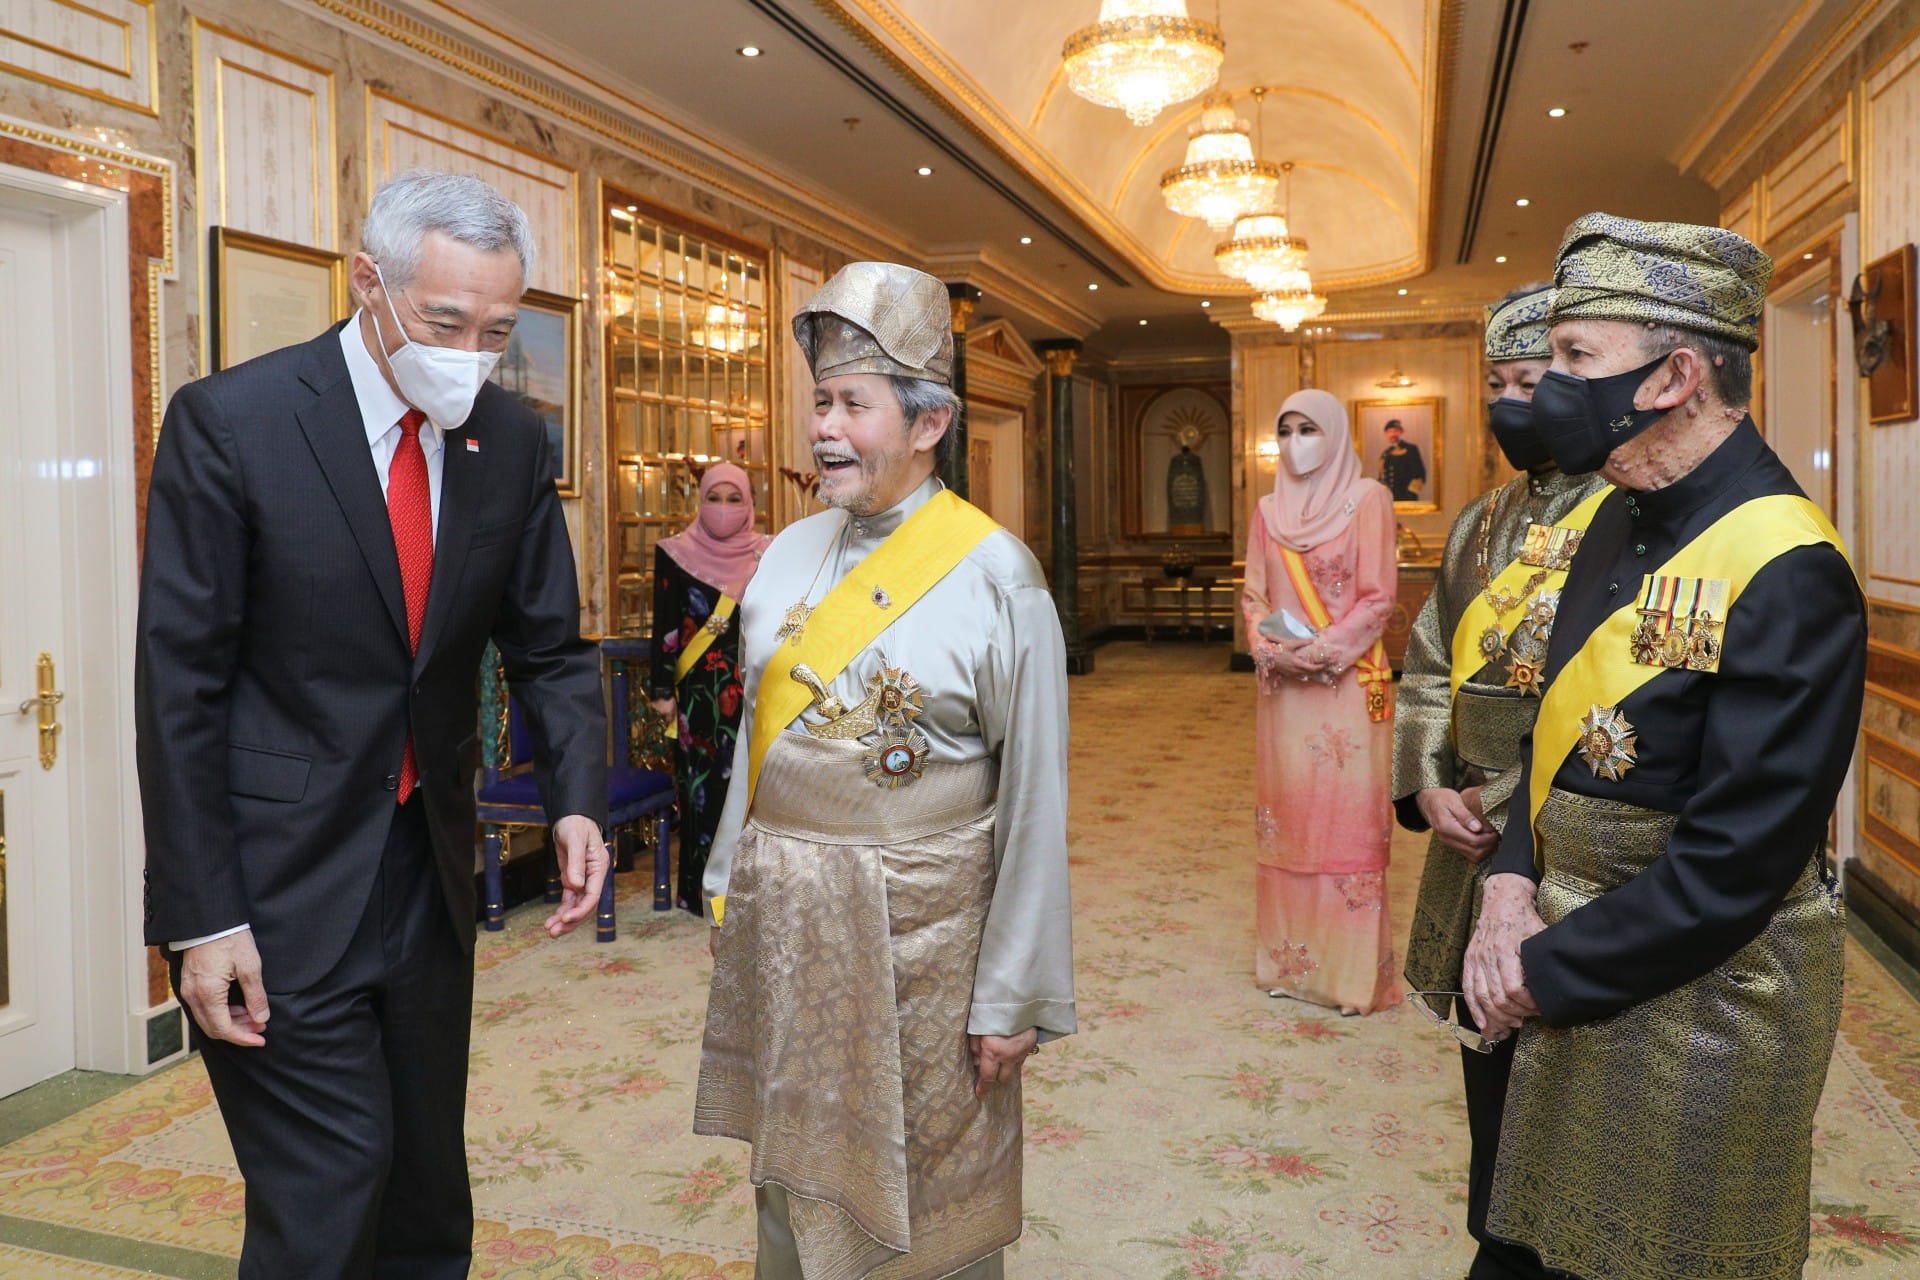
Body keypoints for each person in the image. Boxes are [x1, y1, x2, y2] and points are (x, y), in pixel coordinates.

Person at [136, 171, 610, 1279]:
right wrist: (201, 915)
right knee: (329, 1187)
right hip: (274, 886)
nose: (471, 350)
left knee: (427, 1192)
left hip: (426, 872)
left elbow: (549, 646)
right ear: (368, 282)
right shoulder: (235, 422)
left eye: (497, 328)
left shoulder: (508, 439)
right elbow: (182, 685)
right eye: (447, 321)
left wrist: (577, 796)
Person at [1463, 214, 1865, 1280]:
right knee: (1522, 1241)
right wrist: (1507, 886)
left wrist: (1537, 969)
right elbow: (1548, 736)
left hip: (1701, 1002)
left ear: (1674, 373)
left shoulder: (1788, 565)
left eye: (1573, 357)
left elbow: (1739, 864)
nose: (1545, 385)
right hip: (1558, 951)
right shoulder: (1615, 511)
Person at [694, 261, 1074, 1279]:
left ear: (927, 422)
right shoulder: (784, 557)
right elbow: (758, 745)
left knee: (926, 1194)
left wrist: (1014, 991)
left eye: (853, 404)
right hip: (793, 922)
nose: (824, 428)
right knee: (793, 1171)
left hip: (930, 946)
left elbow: (1036, 800)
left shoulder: (999, 575)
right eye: (821, 400)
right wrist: (731, 878)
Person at [1392, 283, 1609, 1277]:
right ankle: (1498, 1237)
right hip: (1470, 832)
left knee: (1571, 1062)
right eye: (1500, 385)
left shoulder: (1633, 513)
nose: (1514, 403)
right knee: (1487, 1055)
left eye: (1535, 382)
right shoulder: (1479, 521)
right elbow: (1431, 659)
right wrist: (1429, 780)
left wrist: (1517, 804)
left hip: (1576, 844)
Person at [1242, 389, 1399, 1014]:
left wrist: (1325, 651)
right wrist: (1268, 648)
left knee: (1344, 826)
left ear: (1334, 434)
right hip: (1285, 695)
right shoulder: (1265, 510)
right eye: (1284, 430)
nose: (1294, 442)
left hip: (1345, 690)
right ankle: (1290, 967)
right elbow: (1254, 596)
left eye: (1309, 429)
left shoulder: (1368, 499)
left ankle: (1348, 978)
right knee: (1291, 824)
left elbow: (1378, 597)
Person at [648, 462, 771, 914]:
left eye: (733, 498)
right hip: (699, 694)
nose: (722, 508)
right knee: (701, 788)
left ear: (750, 503)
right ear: (700, 501)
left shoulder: (768, 553)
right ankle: (701, 894)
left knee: (753, 788)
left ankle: (751, 892)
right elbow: (664, 624)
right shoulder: (675, 552)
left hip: (754, 689)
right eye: (714, 498)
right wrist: (662, 689)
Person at [1378, 419, 1427, 500]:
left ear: (1401, 432)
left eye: (1396, 431)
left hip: (1407, 497)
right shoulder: (1385, 453)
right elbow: (1381, 478)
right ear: (1385, 434)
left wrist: (1411, 494)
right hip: (1389, 498)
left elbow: (1419, 475)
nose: (1393, 434)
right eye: (1389, 432)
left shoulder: (1411, 449)